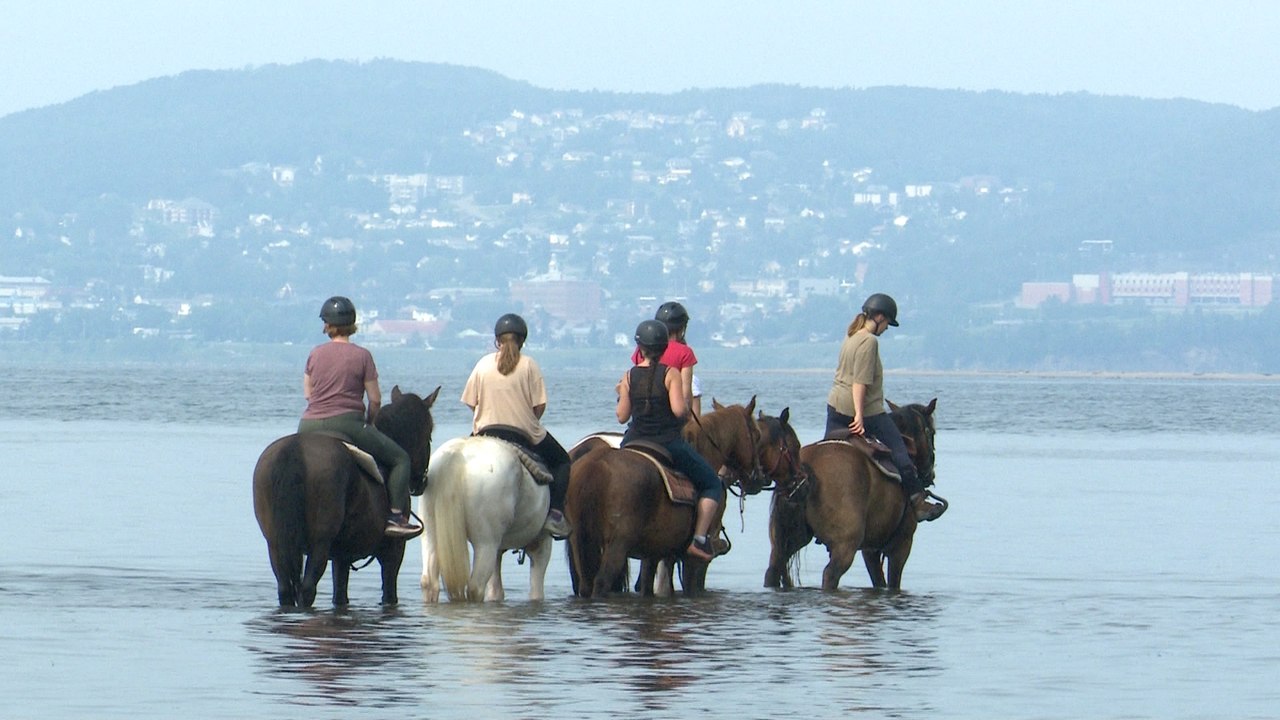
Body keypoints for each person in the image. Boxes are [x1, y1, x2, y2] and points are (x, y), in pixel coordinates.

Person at [298, 296, 421, 538]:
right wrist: (369, 422)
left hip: (308, 425)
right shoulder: (362, 355)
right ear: (351, 325)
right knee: (400, 459)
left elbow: (308, 394)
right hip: (348, 423)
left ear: (328, 325)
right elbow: (375, 399)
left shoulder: (314, 354)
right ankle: (396, 517)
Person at [825, 292, 946, 523]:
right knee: (900, 450)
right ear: (879, 317)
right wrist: (859, 416)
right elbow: (860, 383)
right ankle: (918, 502)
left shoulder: (850, 337)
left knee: (828, 451)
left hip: (834, 409)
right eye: (888, 321)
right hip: (865, 411)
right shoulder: (869, 341)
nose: (887, 327)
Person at [617, 319, 723, 561]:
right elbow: (678, 411)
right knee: (712, 483)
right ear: (664, 348)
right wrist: (685, 407)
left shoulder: (629, 376)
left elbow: (622, 416)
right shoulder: (670, 374)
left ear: (640, 348)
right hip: (666, 442)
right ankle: (698, 539)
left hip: (633, 441)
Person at [461, 313, 572, 539]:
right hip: (522, 433)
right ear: (522, 340)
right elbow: (539, 406)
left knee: (460, 464)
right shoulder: (529, 365)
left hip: (485, 432)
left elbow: (471, 402)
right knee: (562, 462)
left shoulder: (483, 364)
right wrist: (526, 418)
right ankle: (555, 514)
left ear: (497, 340)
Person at [632, 301, 699, 419]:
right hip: (671, 416)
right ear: (682, 329)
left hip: (642, 415)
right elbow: (686, 395)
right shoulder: (685, 352)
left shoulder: (642, 349)